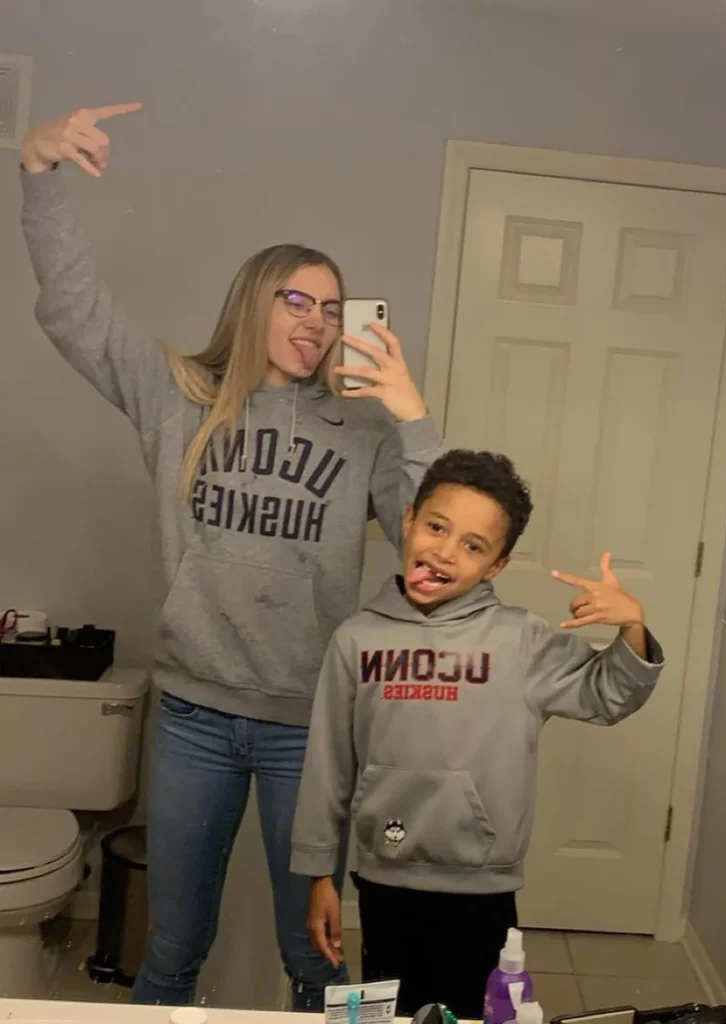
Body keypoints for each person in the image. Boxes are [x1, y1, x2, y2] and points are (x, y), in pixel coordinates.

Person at [19, 103, 447, 1010]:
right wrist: (39, 172)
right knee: (173, 947)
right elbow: (74, 313)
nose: (317, 322)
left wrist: (412, 417)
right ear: (254, 301)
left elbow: (434, 551)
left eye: (331, 308)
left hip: (308, 727)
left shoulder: (365, 431)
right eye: (297, 300)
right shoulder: (177, 395)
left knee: (313, 956)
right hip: (194, 719)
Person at [291, 450, 665, 1017]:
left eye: (473, 545)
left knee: (470, 1014)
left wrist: (632, 624)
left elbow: (609, 693)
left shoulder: (521, 641)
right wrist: (319, 874)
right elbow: (328, 763)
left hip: (480, 887)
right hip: (385, 876)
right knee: (396, 1015)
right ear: (409, 520)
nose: (445, 551)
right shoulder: (357, 639)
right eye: (437, 527)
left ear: (496, 566)